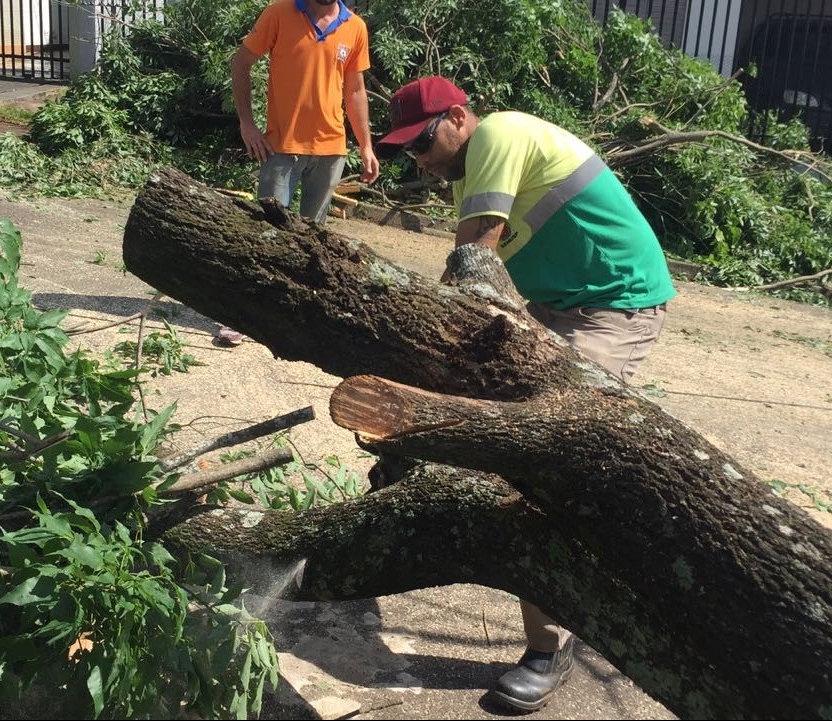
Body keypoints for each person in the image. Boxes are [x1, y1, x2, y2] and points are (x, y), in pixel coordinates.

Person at [376, 75, 676, 712]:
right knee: (481, 395)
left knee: (541, 461)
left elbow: (474, 258)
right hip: (556, 303)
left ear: (459, 117)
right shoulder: (469, 172)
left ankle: (548, 646)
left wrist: (424, 348)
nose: (420, 161)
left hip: (614, 306)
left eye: (423, 142)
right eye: (408, 152)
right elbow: (474, 278)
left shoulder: (500, 134)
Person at [218, 0, 380, 347]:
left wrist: (366, 145)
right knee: (266, 233)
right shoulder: (279, 13)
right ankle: (244, 315)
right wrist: (247, 124)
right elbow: (241, 62)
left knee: (311, 240)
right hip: (281, 147)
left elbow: (354, 89)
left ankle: (293, 315)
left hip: (331, 150)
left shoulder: (355, 27)